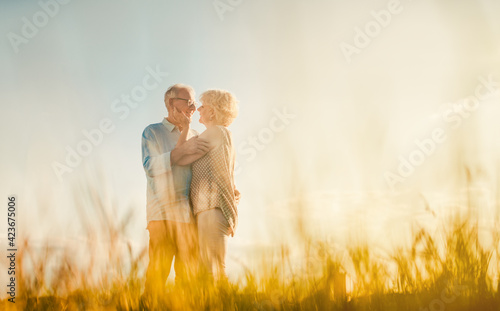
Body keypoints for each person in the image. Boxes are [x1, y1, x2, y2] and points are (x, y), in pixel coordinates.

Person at [141, 84, 210, 298]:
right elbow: (151, 168)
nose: (193, 106)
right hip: (161, 216)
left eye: (194, 102)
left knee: (187, 279)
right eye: (188, 101)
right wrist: (180, 152)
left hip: (189, 218)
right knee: (157, 276)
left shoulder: (198, 135)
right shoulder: (152, 132)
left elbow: (205, 171)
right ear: (172, 103)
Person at [174, 89, 240, 281]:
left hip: (212, 209)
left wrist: (186, 126)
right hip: (212, 209)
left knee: (212, 270)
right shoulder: (222, 134)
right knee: (211, 269)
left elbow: (180, 157)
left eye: (203, 106)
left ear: (213, 111)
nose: (198, 109)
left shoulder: (215, 132)